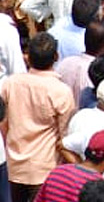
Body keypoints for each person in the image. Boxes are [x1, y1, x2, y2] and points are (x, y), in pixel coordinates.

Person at [0, 32, 75, 202]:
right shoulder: (60, 91)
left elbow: (3, 124)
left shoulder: (10, 84)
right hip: (44, 168)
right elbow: (64, 136)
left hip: (14, 164)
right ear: (56, 57)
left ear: (28, 57)